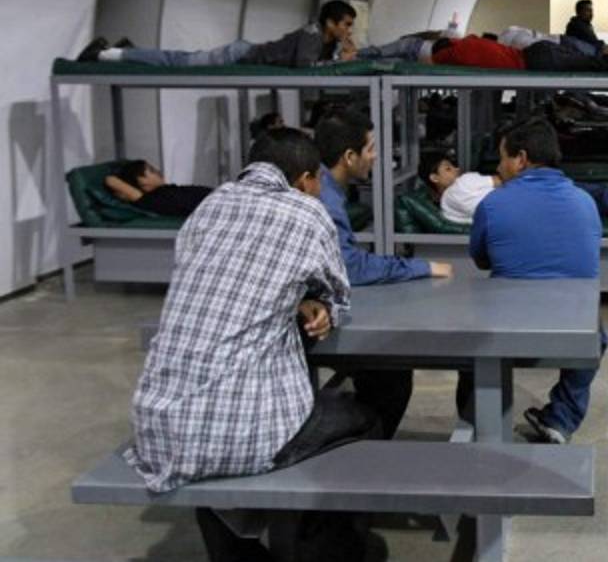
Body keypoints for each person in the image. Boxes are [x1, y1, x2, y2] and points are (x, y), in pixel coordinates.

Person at [125, 128, 383, 559]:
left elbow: (217, 280)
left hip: (161, 428)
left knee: (211, 437)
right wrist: (321, 305)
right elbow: (338, 294)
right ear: (305, 179)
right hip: (244, 434)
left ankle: (236, 554)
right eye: (317, 182)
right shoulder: (306, 212)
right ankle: (327, 548)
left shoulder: (210, 206)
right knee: (364, 420)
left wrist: (296, 300)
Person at [468, 118, 606, 444]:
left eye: (502, 158)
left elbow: (481, 259)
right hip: (576, 328)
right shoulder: (586, 203)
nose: (499, 167)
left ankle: (479, 418)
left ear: (521, 159)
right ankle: (562, 418)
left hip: (507, 325)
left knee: (469, 338)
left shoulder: (492, 204)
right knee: (597, 334)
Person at [315, 110, 451, 285]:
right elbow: (350, 267)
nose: (375, 156)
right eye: (370, 149)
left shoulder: (325, 186)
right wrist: (424, 268)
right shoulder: (326, 200)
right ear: (350, 157)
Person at [78, 0, 358, 68]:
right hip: (237, 54)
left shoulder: (324, 38)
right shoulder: (311, 33)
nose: (348, 30)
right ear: (330, 23)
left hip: (245, 52)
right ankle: (107, 54)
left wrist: (340, 52)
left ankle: (129, 52)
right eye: (345, 24)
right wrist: (339, 60)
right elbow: (305, 65)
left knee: (179, 59)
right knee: (178, 61)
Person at [419, 152, 608, 224]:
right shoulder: (464, 183)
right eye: (448, 168)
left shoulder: (446, 210)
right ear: (434, 178)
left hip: (524, 211)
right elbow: (506, 179)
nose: (457, 170)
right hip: (532, 199)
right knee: (600, 195)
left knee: (595, 203)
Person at [104, 160, 212, 217]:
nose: (158, 171)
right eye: (151, 170)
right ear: (141, 182)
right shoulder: (149, 200)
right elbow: (110, 180)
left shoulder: (165, 190)